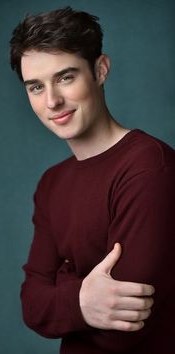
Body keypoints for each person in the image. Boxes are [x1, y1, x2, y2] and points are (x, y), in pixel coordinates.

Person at [10, 6, 175, 354]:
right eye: (36, 87)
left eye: (66, 77)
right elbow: (30, 303)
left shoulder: (148, 166)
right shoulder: (51, 183)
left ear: (100, 70)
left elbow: (126, 327)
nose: (52, 101)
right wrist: (83, 299)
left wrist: (64, 288)